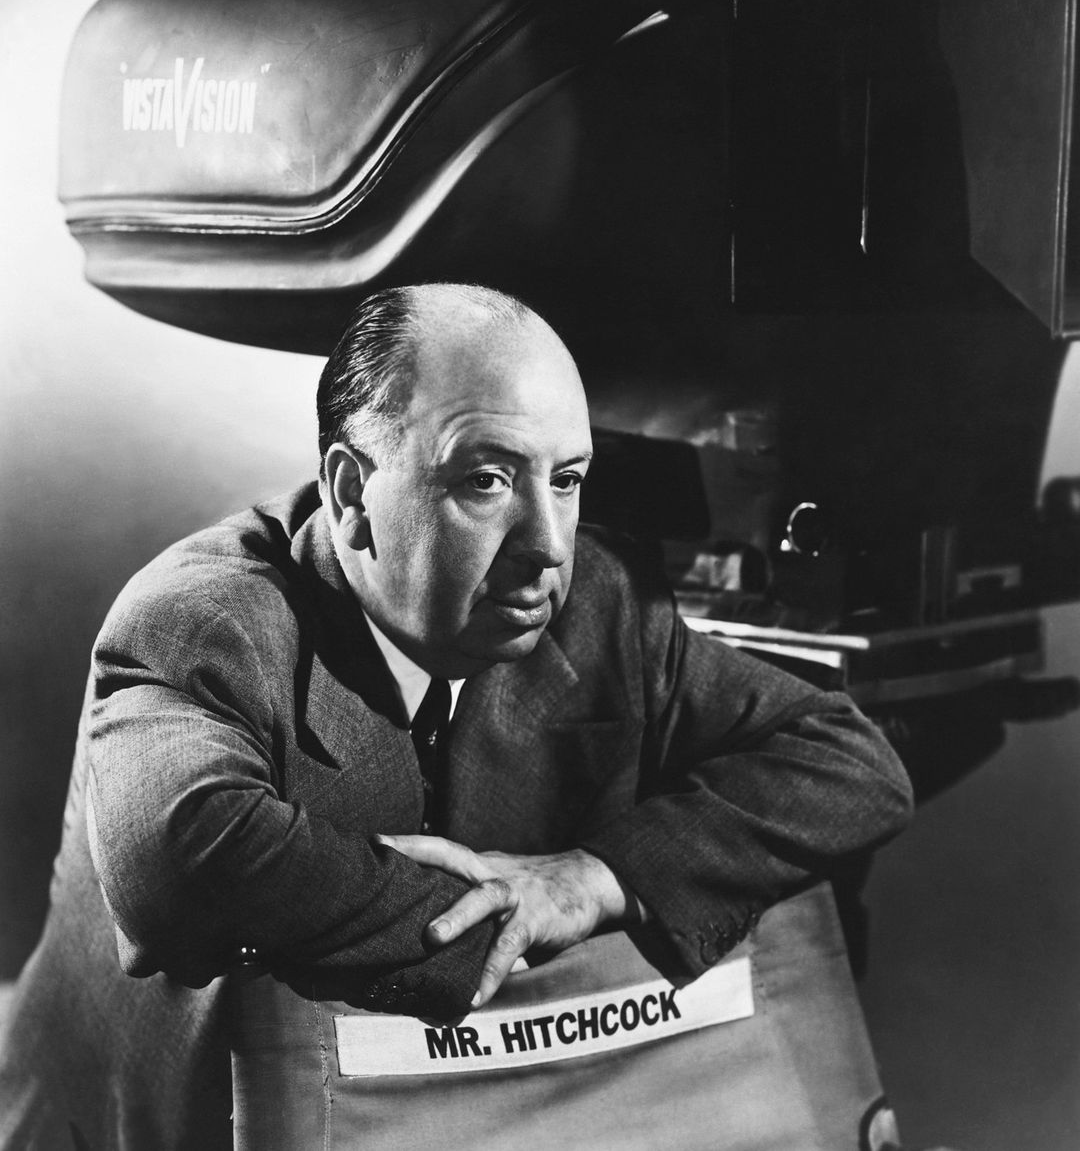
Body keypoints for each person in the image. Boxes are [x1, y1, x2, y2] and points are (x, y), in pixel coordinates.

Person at [0, 283, 913, 1150]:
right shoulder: (203, 623)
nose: (547, 546)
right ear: (352, 494)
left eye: (567, 479)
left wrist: (592, 879)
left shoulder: (603, 602)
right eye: (486, 480)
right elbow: (177, 863)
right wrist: (501, 913)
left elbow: (851, 761)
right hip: (140, 1122)